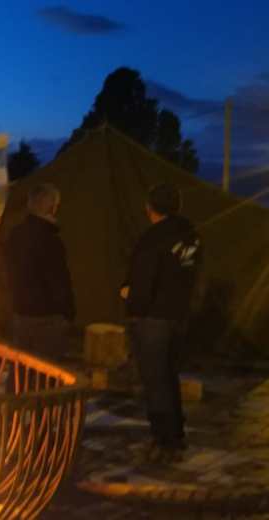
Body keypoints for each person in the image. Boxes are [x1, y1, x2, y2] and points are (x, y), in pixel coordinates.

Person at [120, 183, 201, 464]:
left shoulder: (153, 239)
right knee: (169, 376)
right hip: (179, 316)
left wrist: (130, 301)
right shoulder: (191, 237)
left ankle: (163, 440)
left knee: (155, 381)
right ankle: (176, 433)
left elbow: (143, 282)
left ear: (150, 208)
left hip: (154, 319)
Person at [5, 183, 76, 363]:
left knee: (20, 367)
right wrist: (67, 313)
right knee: (45, 369)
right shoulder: (50, 241)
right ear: (52, 207)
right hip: (47, 318)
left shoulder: (15, 234)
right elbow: (58, 281)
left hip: (21, 313)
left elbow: (9, 271)